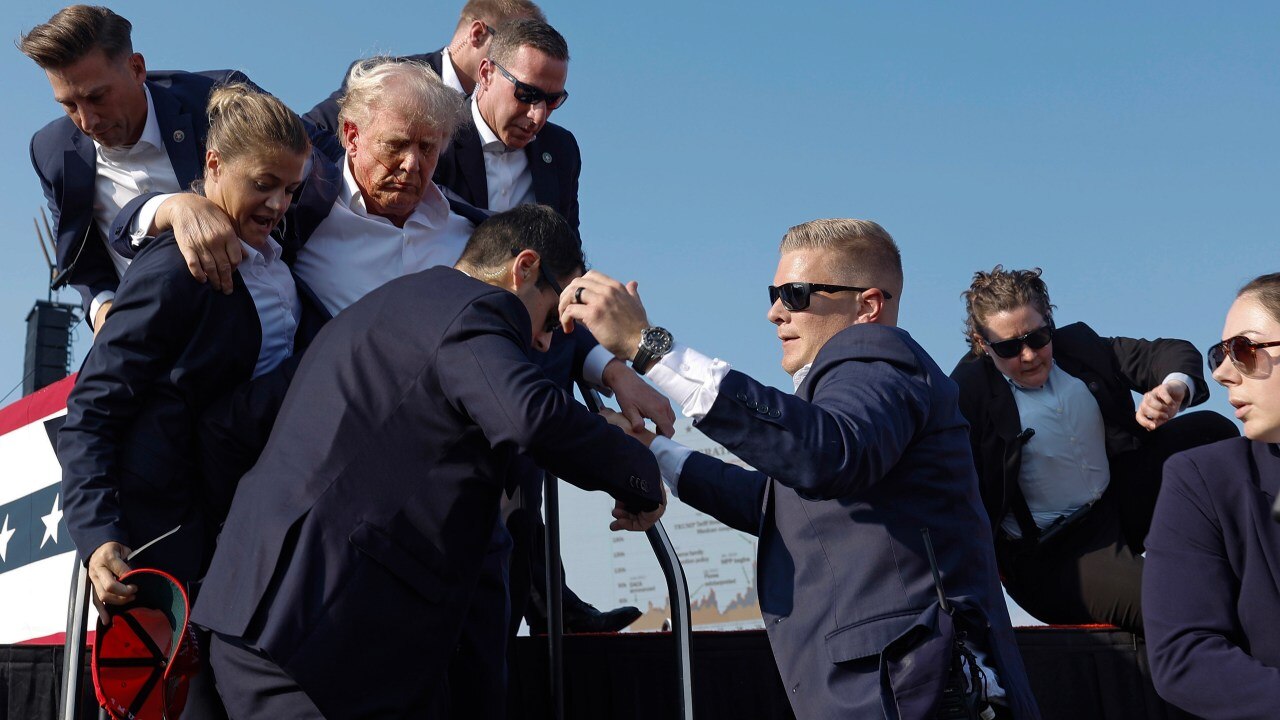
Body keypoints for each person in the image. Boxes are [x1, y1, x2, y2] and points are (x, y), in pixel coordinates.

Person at [191, 205, 665, 718]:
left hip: (255, 616)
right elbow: (531, 416)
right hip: (314, 639)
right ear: (523, 268)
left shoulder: (395, 307)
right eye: (553, 317)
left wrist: (595, 426)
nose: (547, 342)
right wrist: (639, 475)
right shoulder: (478, 311)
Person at [559, 219, 1040, 719]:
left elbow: (826, 454)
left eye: (796, 293)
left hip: (917, 690)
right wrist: (652, 450)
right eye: (775, 293)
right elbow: (774, 502)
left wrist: (651, 347)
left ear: (868, 306)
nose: (774, 312)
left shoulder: (878, 357)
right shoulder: (854, 402)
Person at [57, 83, 314, 718]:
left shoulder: (274, 260)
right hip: (167, 548)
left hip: (233, 532)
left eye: (292, 189)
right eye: (264, 184)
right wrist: (97, 536)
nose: (279, 203)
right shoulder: (177, 269)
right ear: (215, 165)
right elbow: (93, 405)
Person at [950, 266, 1236, 634]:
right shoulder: (965, 394)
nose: (1028, 355)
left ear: (1050, 323)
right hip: (1054, 557)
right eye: (1007, 347)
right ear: (981, 344)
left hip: (1114, 505)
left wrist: (1173, 389)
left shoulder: (1079, 347)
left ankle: (1230, 551)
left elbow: (1168, 353)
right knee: (1184, 605)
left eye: (1037, 338)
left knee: (1211, 433)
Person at [20, 5, 255, 331]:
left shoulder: (219, 100)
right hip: (152, 348)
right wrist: (103, 308)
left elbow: (305, 163)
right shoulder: (51, 151)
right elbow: (81, 260)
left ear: (137, 68)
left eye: (97, 97)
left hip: (257, 319)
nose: (87, 121)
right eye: (69, 105)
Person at [1143, 273, 1280, 719]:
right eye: (1218, 355)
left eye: (1243, 350)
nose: (1221, 373)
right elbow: (1184, 656)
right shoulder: (1203, 479)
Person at [304, 0, 545, 136]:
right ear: (478, 34)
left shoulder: (521, 126)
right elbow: (309, 135)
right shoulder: (385, 78)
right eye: (512, 46)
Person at [433, 17, 580, 229]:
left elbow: (568, 246)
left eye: (552, 100)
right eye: (526, 93)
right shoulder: (437, 133)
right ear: (486, 74)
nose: (538, 116)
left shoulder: (562, 150)